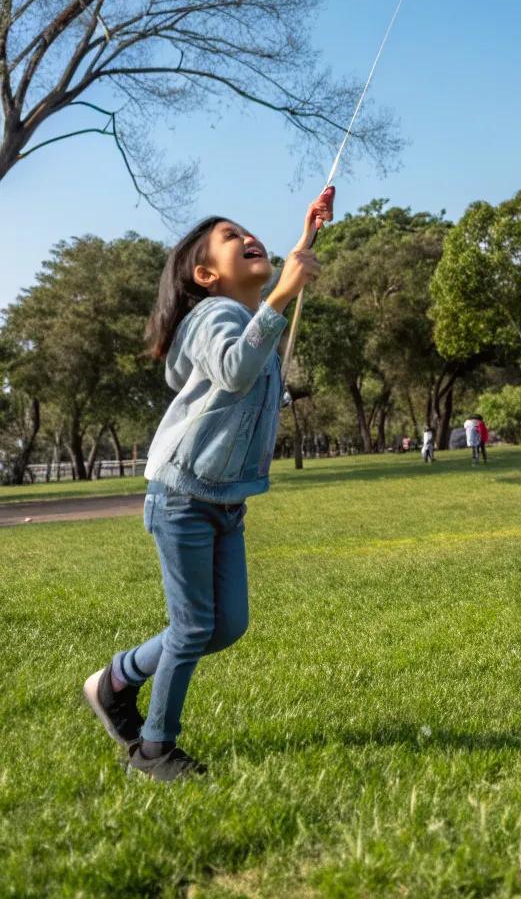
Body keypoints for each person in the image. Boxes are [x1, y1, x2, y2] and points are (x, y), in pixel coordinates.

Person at [83, 192, 332, 781]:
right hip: (182, 497)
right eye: (230, 236)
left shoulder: (250, 318)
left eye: (248, 231)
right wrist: (281, 295)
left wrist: (308, 234)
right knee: (194, 626)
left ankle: (115, 680)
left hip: (224, 501)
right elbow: (234, 368)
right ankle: (153, 751)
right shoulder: (211, 316)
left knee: (225, 626)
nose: (248, 237)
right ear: (205, 275)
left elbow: (252, 354)